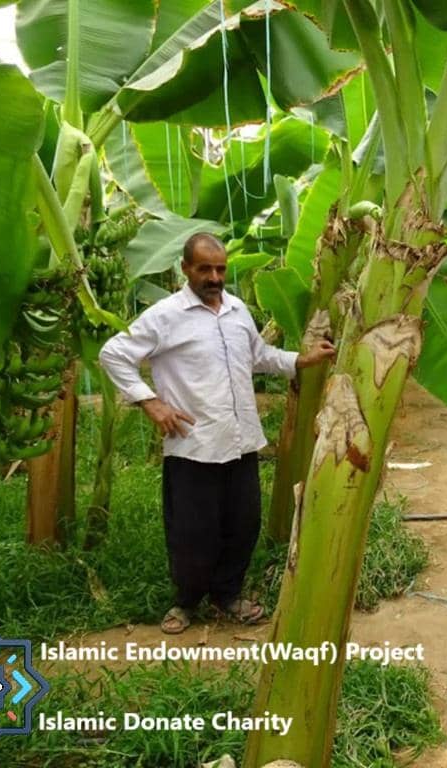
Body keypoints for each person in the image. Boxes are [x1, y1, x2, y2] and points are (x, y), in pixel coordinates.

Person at [99, 233, 336, 634]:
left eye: (220, 268)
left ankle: (227, 595)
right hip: (195, 444)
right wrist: (150, 402)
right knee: (193, 531)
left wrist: (302, 358)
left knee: (242, 525)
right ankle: (186, 602)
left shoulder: (238, 310)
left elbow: (260, 357)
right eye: (204, 268)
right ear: (185, 269)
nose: (214, 276)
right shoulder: (166, 315)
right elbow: (113, 354)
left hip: (241, 439)